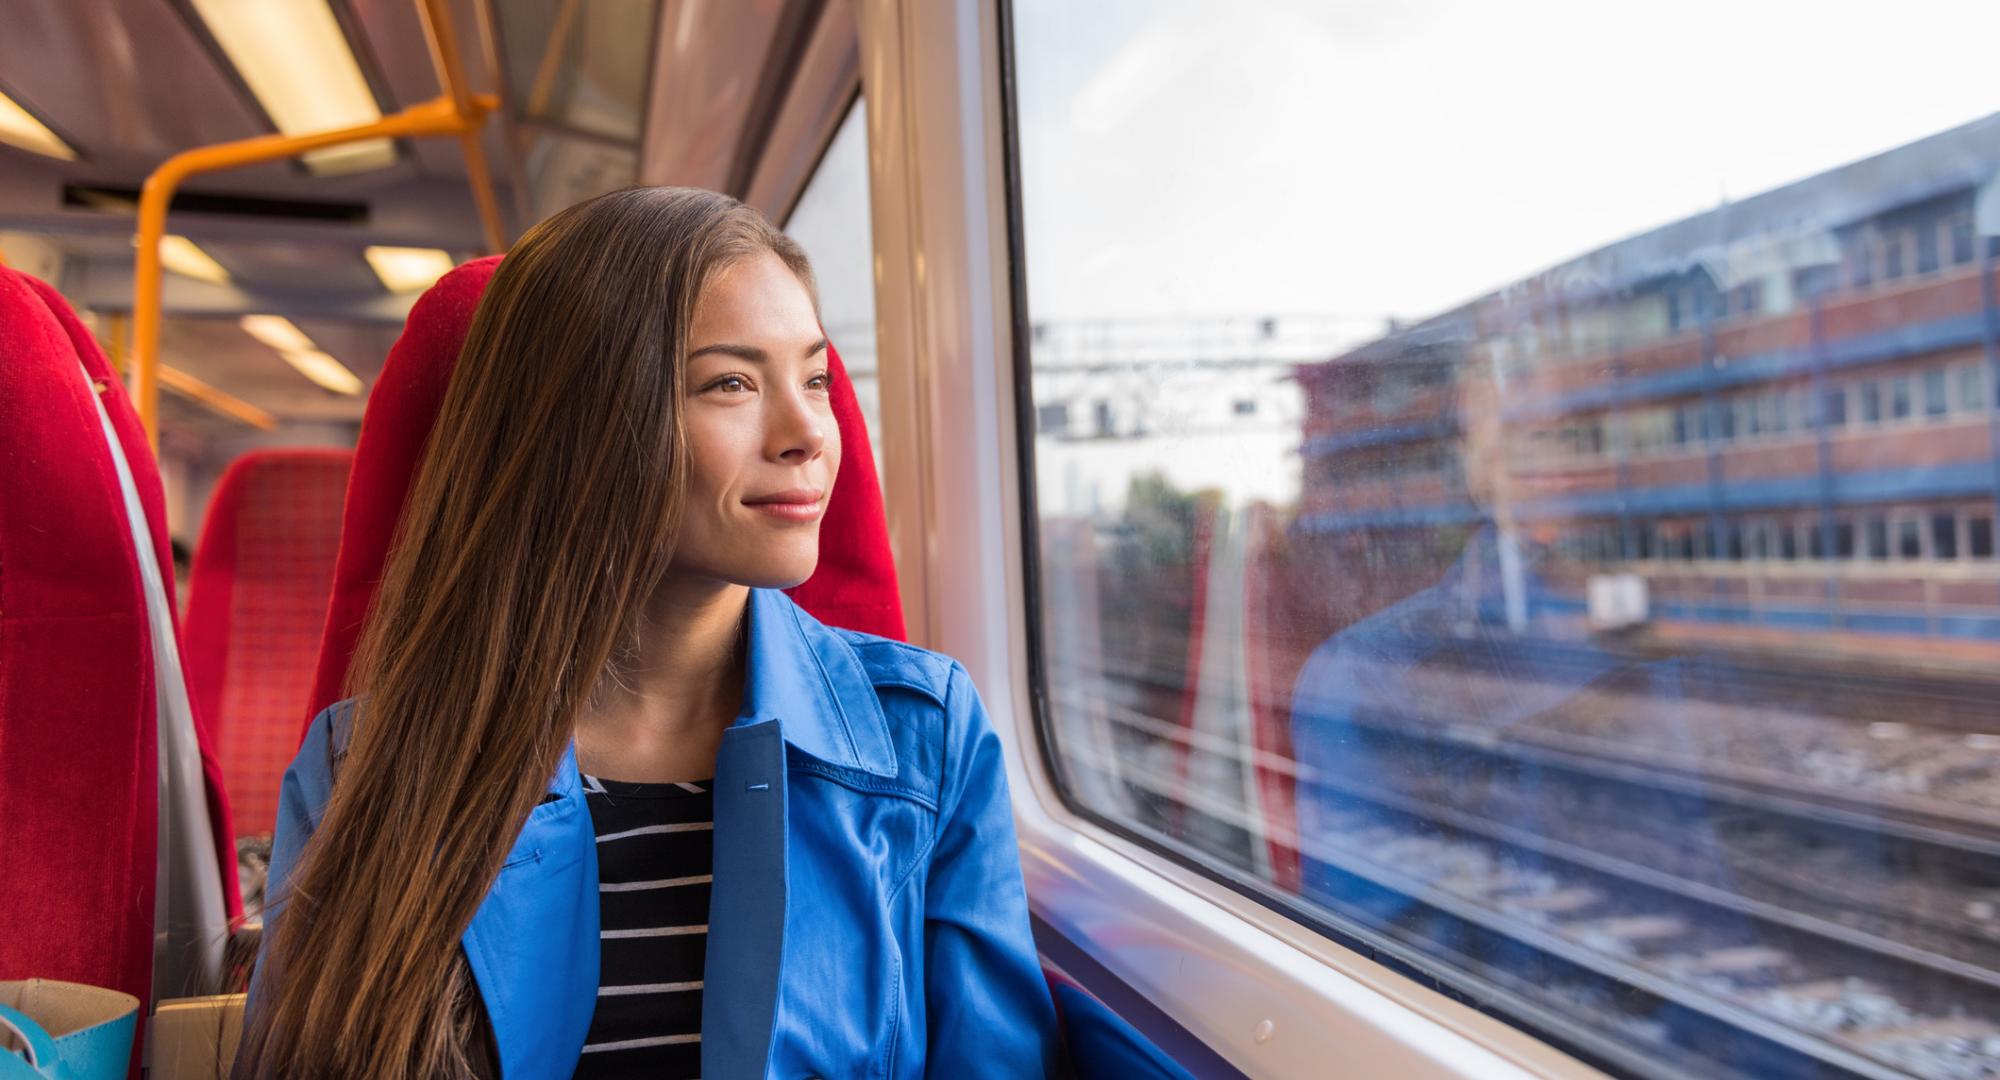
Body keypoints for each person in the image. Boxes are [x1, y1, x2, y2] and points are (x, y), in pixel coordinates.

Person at [234, 187, 1060, 1079]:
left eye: (815, 378)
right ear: (583, 426)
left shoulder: (926, 736)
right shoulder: (362, 764)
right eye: (732, 383)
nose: (809, 434)